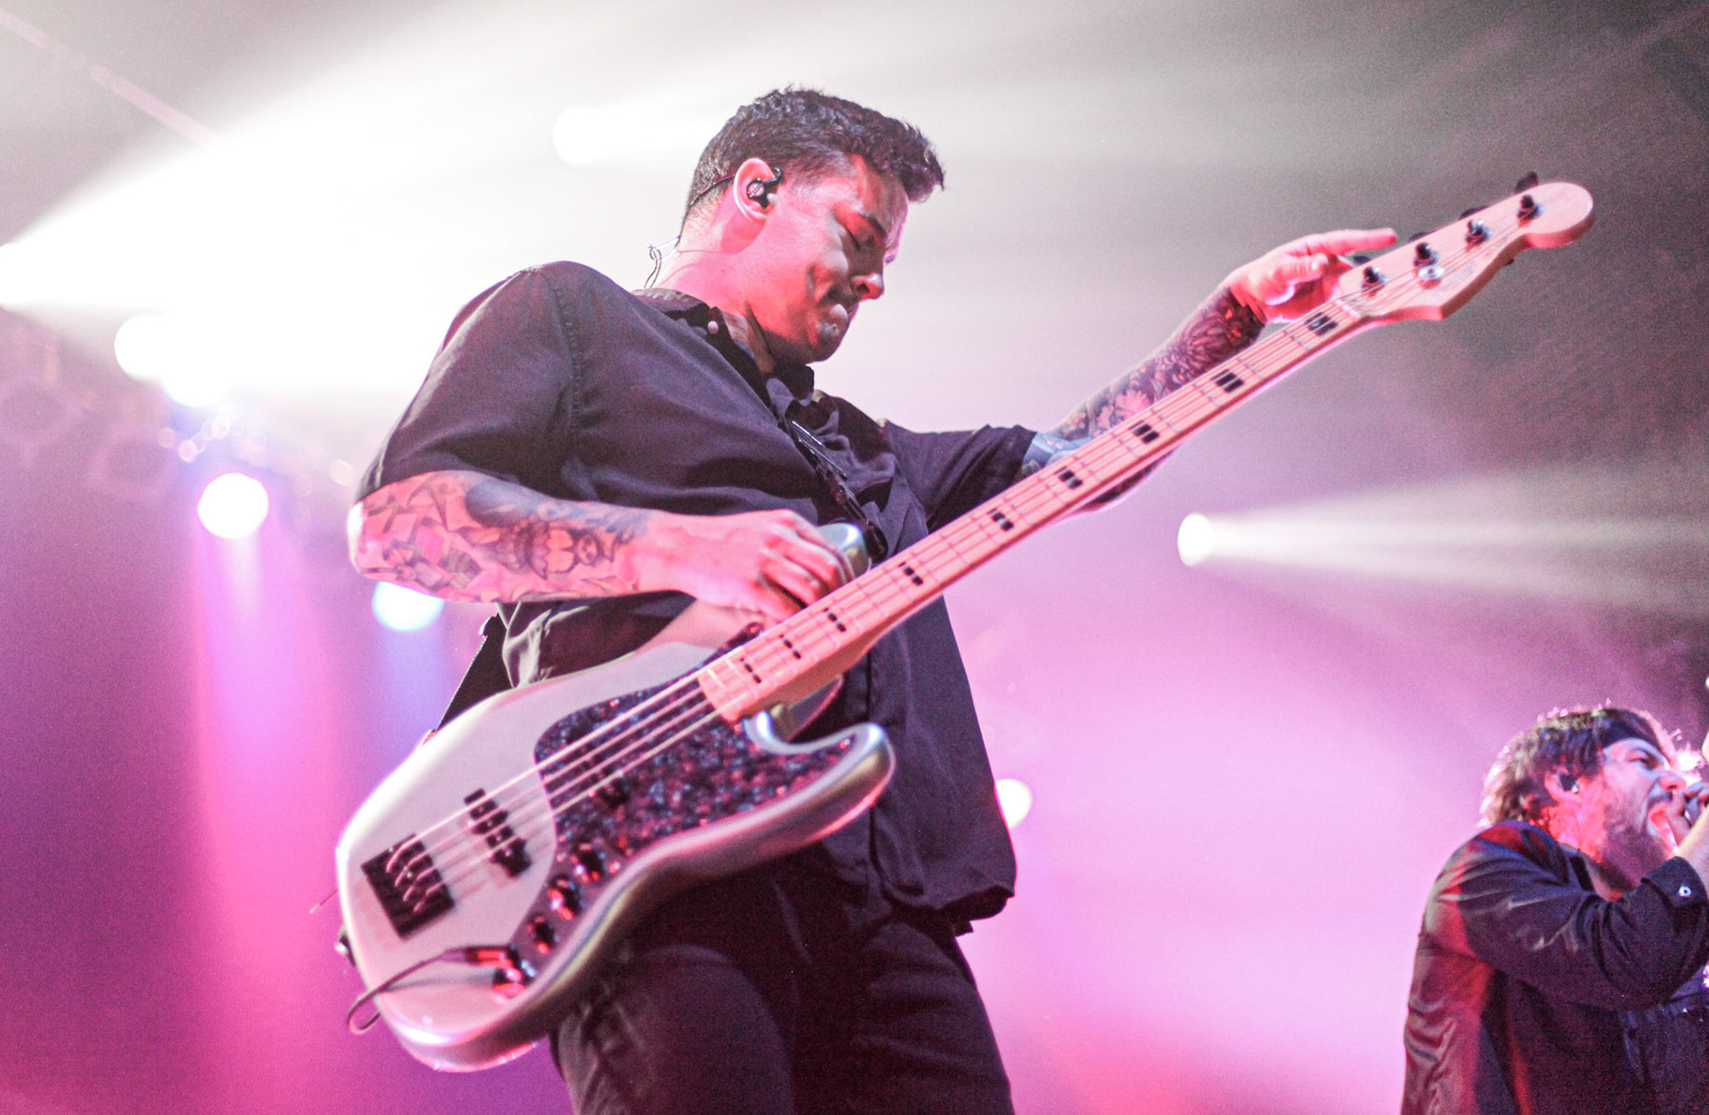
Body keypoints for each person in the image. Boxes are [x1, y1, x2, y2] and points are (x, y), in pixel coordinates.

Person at [350, 88, 1394, 1114]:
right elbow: (397, 523)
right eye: (858, 236)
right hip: (660, 889)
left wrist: (1238, 321)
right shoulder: (574, 315)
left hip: (885, 903)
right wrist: (685, 548)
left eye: (888, 258)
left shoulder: (863, 450)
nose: (875, 282)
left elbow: (1080, 460)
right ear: (756, 190)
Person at [1402, 705, 1709, 1115]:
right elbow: (1625, 958)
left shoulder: (1668, 935)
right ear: (1567, 780)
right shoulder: (1486, 869)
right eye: (1644, 762)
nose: (1675, 783)